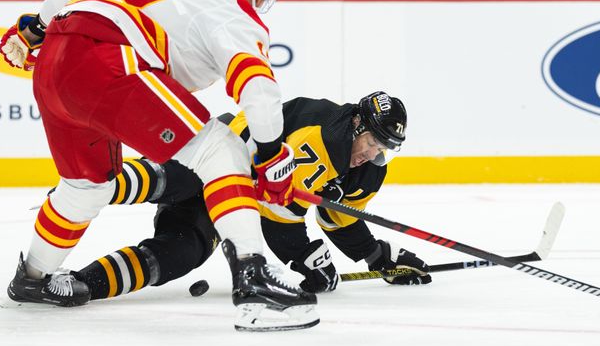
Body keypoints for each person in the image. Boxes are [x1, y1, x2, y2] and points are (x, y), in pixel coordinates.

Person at [0, 0, 318, 331]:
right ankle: (255, 280)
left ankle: (32, 279)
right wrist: (271, 156)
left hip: (54, 60)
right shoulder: (237, 14)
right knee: (222, 150)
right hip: (106, 60)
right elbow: (258, 89)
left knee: (86, 186)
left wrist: (34, 30)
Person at [68, 92, 430, 301]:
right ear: (356, 125)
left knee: (180, 254)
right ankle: (88, 187)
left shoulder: (367, 169)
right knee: (171, 178)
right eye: (371, 142)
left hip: (233, 205)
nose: (372, 154)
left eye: (384, 149)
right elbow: (276, 214)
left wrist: (378, 256)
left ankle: (80, 284)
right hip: (218, 156)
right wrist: (304, 256)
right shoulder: (323, 137)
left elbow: (340, 217)